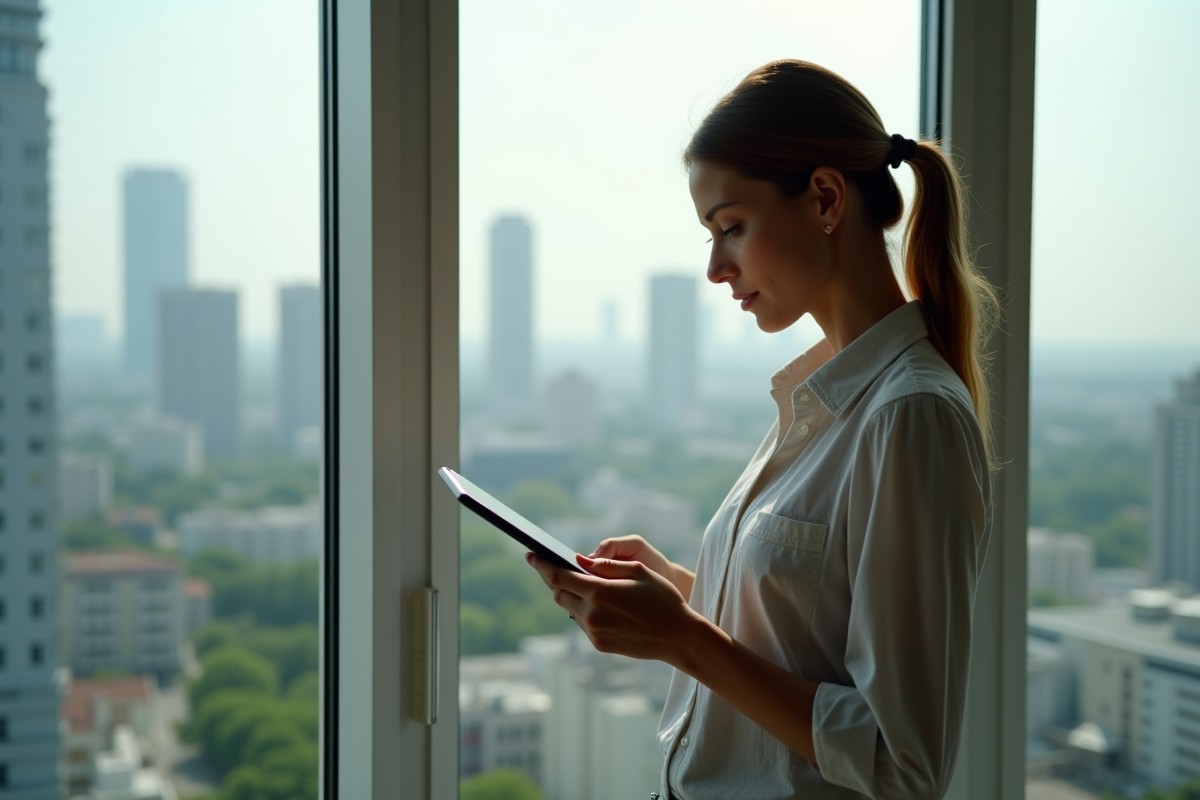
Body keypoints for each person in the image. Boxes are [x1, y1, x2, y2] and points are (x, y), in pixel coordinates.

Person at [526, 59, 996, 800]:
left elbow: (901, 766)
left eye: (731, 227)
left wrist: (683, 638)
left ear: (824, 198)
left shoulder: (908, 416)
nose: (716, 267)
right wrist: (681, 597)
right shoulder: (818, 399)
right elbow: (807, 639)